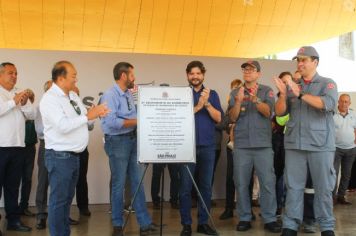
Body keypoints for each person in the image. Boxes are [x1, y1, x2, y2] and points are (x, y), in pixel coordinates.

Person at [40, 60, 109, 236]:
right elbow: (63, 126)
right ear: (61, 78)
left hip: (74, 157)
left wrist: (95, 115)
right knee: (59, 201)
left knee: (66, 201)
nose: (76, 79)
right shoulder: (49, 99)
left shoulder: (72, 96)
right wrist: (88, 117)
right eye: (73, 76)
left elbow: (82, 120)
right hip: (60, 157)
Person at [274, 46, 338, 236]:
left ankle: (326, 227)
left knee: (323, 188)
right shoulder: (292, 86)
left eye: (304, 60)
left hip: (320, 146)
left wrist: (300, 93)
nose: (300, 63)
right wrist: (284, 95)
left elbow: (327, 104)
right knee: (293, 188)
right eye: (298, 60)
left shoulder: (327, 84)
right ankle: (290, 226)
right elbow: (279, 113)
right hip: (295, 145)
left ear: (315, 62)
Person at [100, 62, 157, 236]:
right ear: (123, 76)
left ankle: (145, 223)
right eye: (132, 75)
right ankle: (118, 224)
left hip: (132, 140)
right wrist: (138, 121)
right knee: (119, 184)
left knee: (137, 181)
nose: (134, 78)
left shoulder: (128, 94)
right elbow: (111, 123)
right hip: (117, 142)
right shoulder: (110, 95)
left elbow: (134, 115)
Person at [229, 60, 280, 233]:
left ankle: (270, 218)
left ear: (258, 73)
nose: (248, 71)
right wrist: (237, 102)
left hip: (263, 145)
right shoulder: (235, 92)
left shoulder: (267, 91)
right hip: (242, 145)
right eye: (245, 68)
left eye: (252, 69)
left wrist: (254, 98)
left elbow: (269, 112)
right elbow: (233, 118)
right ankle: (244, 217)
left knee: (267, 182)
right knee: (241, 183)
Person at [179, 60, 223, 236]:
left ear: (203, 74)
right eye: (192, 73)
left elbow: (219, 118)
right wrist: (197, 107)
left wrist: (207, 104)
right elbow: (179, 117)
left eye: (198, 73)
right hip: (186, 148)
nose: (195, 76)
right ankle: (186, 224)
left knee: (205, 187)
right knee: (185, 188)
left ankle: (203, 223)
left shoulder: (212, 94)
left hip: (208, 147)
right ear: (187, 75)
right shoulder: (181, 94)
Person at [0, 62, 34, 233]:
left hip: (18, 147)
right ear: (0, 75)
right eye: (10, 73)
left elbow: (32, 115)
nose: (14, 76)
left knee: (13, 187)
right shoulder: (8, 95)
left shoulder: (17, 92)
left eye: (16, 73)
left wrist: (26, 103)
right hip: (1, 147)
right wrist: (13, 102)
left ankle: (13, 221)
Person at [219, 79, 242, 220]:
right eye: (234, 89)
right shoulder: (230, 107)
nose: (236, 92)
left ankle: (247, 210)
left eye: (239, 88)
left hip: (247, 144)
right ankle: (228, 208)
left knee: (247, 179)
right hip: (232, 145)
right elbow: (223, 124)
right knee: (230, 177)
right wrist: (231, 127)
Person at [34, 80, 52, 229]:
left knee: (60, 184)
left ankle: (60, 215)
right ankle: (41, 215)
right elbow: (40, 130)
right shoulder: (41, 107)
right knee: (43, 182)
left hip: (61, 147)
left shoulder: (64, 105)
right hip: (47, 146)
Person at [333, 94, 356, 205]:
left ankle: (341, 196)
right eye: (342, 101)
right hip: (335, 148)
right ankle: (332, 197)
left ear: (349, 103)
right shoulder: (332, 114)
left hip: (351, 149)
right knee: (334, 173)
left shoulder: (353, 114)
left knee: (346, 174)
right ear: (338, 102)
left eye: (346, 102)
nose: (344, 104)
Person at [19, 89, 37, 217]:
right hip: (17, 148)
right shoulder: (16, 112)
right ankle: (12, 208)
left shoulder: (34, 114)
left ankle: (23, 206)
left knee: (27, 178)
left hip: (30, 148)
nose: (28, 102)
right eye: (26, 99)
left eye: (31, 99)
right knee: (11, 180)